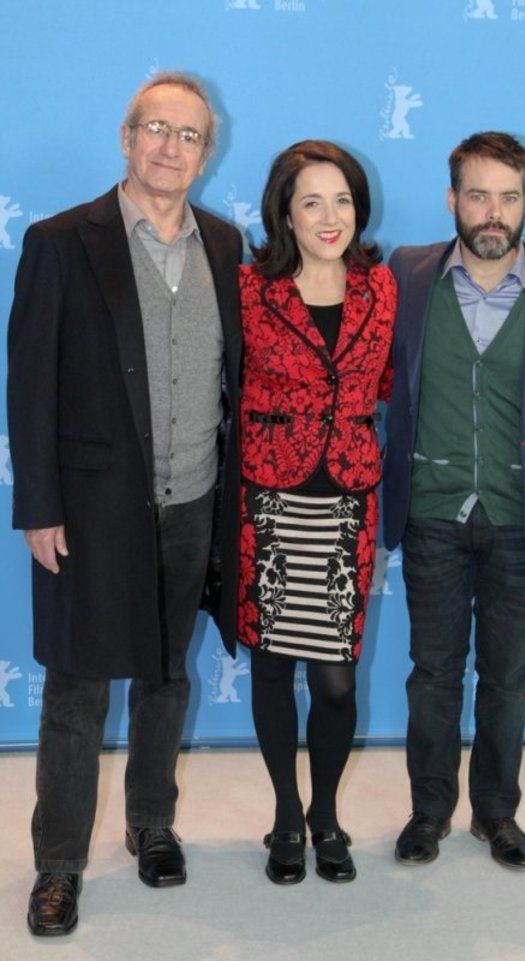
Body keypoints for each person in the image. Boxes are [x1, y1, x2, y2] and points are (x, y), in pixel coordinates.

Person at [7, 71, 242, 935]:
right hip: (91, 508)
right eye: (157, 129)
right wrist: (39, 506)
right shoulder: (61, 242)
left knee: (166, 674)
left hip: (194, 502)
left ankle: (151, 822)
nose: (171, 147)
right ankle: (58, 863)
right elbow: (29, 385)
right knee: (76, 690)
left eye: (189, 135)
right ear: (127, 137)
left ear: (205, 153)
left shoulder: (226, 245)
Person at [383, 132, 525, 871]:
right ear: (452, 199)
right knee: (433, 673)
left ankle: (497, 812)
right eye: (478, 195)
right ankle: (429, 810)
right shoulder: (406, 274)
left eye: (508, 197)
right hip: (432, 511)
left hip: (520, 516)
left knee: (507, 677)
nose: (493, 212)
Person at [237, 140, 396, 884]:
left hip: (348, 501)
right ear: (285, 214)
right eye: (312, 202)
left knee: (335, 680)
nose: (330, 217)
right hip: (269, 497)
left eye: (343, 200)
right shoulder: (249, 289)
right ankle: (284, 815)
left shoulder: (382, 287)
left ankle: (325, 813)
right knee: (272, 667)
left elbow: (388, 380)